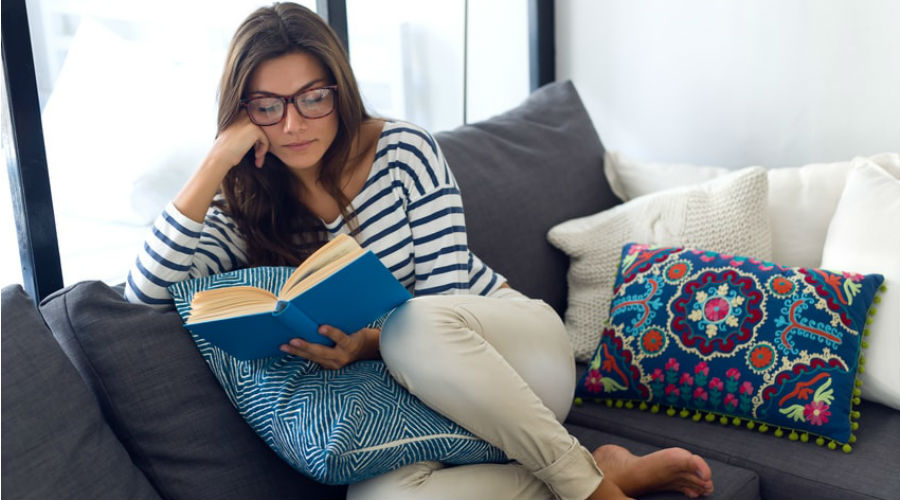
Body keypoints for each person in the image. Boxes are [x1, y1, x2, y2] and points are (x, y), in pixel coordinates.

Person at [125, 3, 714, 499]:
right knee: (380, 496)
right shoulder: (246, 204)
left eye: (312, 98)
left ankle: (596, 494)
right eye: (266, 107)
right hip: (427, 408)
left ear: (339, 89)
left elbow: (446, 295)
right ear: (242, 113)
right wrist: (214, 164)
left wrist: (366, 344)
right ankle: (596, 469)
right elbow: (143, 294)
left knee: (412, 324)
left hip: (514, 352)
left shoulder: (403, 151)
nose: (292, 124)